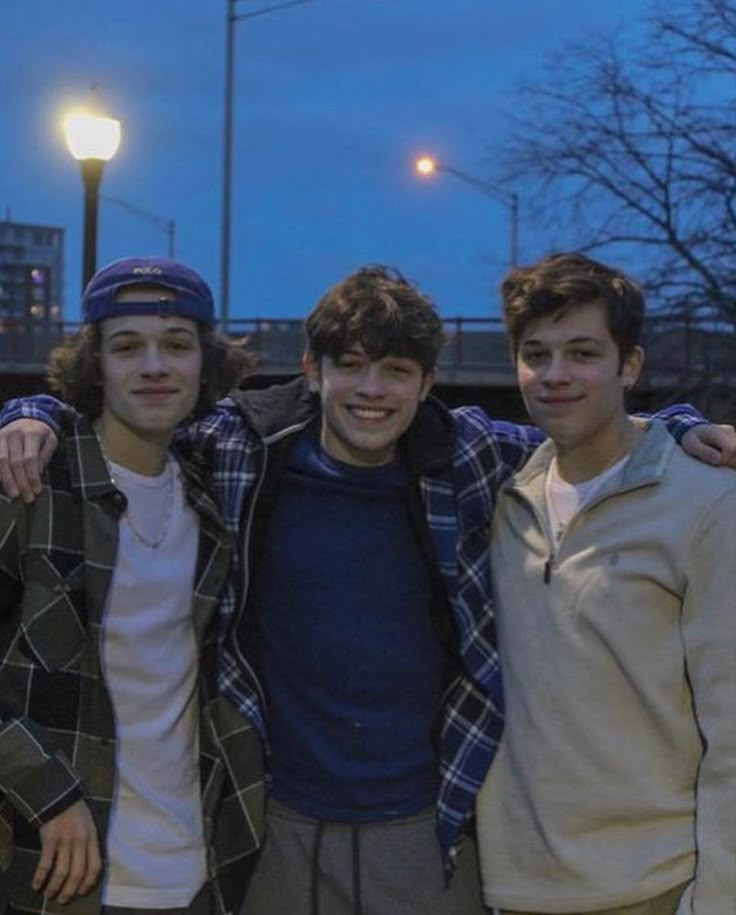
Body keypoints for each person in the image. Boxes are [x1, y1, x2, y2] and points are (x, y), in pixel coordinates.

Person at [0, 265, 731, 915]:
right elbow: (116, 427)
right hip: (269, 824)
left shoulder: (466, 458)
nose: (372, 390)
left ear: (426, 383)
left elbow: (587, 434)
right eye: (350, 366)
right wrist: (30, 413)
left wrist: (677, 426)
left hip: (423, 831)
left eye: (396, 370)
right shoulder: (240, 452)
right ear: (312, 371)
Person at [475, 252, 736, 915]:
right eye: (537, 354)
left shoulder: (706, 504)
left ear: (630, 365)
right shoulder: (498, 497)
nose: (556, 375)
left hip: (656, 888)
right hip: (513, 890)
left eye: (583, 352)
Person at [0, 257, 261, 915]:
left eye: (176, 344)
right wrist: (47, 792)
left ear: (205, 364)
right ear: (96, 364)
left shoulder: (211, 495)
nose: (154, 365)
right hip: (58, 871)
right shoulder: (31, 485)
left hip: (196, 869)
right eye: (127, 346)